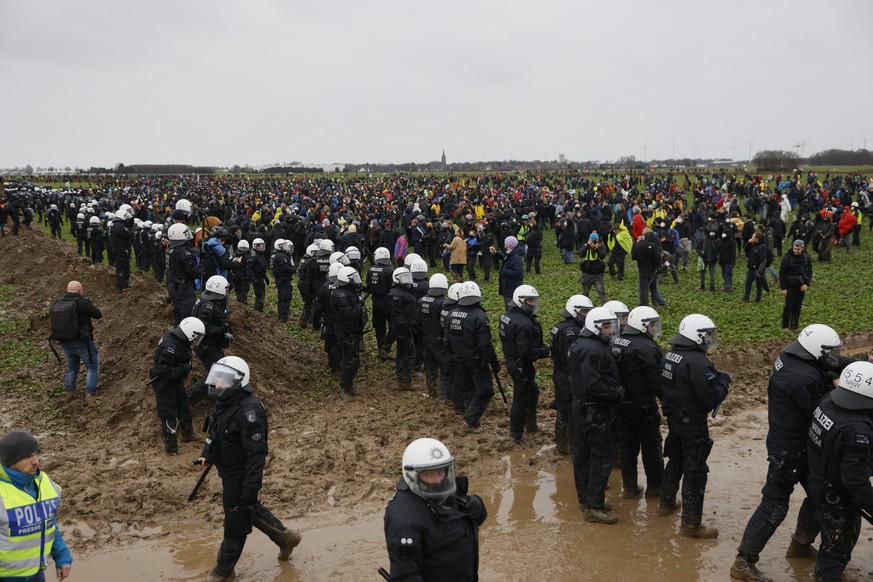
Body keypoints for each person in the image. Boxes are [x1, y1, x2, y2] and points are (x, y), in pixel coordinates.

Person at [732, 325, 847, 582]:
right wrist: (841, 389)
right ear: (817, 351)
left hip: (794, 442)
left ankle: (801, 545)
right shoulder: (804, 379)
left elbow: (830, 364)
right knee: (774, 504)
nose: (835, 356)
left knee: (821, 494)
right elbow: (824, 410)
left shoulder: (791, 356)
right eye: (832, 352)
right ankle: (743, 561)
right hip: (789, 450)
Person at [198, 357, 302, 579]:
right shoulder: (224, 404)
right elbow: (215, 433)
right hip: (227, 470)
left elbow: (257, 456)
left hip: (241, 475)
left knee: (235, 522)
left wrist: (251, 487)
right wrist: (207, 454)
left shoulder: (250, 412)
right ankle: (286, 538)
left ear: (239, 382)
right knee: (248, 509)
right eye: (217, 379)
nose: (217, 384)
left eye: (223, 381)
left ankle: (223, 571)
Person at [659, 313, 731, 538]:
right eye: (707, 336)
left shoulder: (670, 356)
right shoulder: (699, 362)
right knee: (695, 469)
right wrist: (724, 383)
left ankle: (666, 502)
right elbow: (709, 399)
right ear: (696, 336)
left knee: (676, 459)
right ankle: (691, 524)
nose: (710, 340)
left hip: (674, 418)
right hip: (692, 422)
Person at [384, 438, 487, 581]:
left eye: (440, 472)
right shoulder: (404, 520)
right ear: (412, 476)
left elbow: (473, 519)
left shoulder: (440, 491)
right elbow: (405, 575)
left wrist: (477, 505)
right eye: (429, 474)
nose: (437, 479)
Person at [807, 360, 873, 582]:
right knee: (837, 547)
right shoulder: (856, 431)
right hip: (837, 496)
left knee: (827, 535)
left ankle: (801, 548)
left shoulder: (827, 401)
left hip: (818, 479)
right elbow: (855, 481)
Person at [568, 307, 624, 524]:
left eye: (611, 326)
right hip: (596, 410)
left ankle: (586, 499)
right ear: (595, 327)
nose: (611, 330)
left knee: (582, 455)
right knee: (601, 457)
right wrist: (616, 394)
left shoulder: (581, 344)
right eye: (607, 326)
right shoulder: (593, 349)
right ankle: (594, 506)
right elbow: (593, 383)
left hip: (581, 407)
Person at [0, 430, 73, 581]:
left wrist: (62, 556)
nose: (36, 461)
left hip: (37, 575)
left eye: (35, 454)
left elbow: (49, 523)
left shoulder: (43, 481)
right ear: (11, 461)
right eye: (28, 456)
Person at [611, 306, 664, 499]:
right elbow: (657, 380)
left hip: (622, 403)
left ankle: (630, 487)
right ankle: (655, 488)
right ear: (642, 326)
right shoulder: (647, 347)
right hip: (643, 405)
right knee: (651, 446)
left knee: (627, 446)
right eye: (651, 325)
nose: (654, 329)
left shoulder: (618, 341)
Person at [443, 282, 499, 430]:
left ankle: (470, 414)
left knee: (468, 387)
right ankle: (471, 418)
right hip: (476, 361)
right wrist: (493, 362)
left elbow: (447, 341)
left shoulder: (451, 314)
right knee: (486, 391)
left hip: (459, 359)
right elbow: (485, 345)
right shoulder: (479, 316)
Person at [499, 285, 550, 444]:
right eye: (529, 301)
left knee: (532, 390)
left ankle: (531, 424)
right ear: (520, 301)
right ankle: (516, 434)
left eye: (534, 300)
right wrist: (545, 350)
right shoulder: (524, 325)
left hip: (512, 360)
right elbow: (527, 352)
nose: (533, 304)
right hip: (521, 365)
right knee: (521, 399)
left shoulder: (507, 316)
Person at [148, 317, 205, 455]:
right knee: (169, 414)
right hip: (164, 382)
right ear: (190, 333)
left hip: (174, 379)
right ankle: (171, 447)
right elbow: (161, 370)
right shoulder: (170, 347)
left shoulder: (180, 340)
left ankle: (187, 433)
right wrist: (184, 369)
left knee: (183, 405)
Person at [549, 295, 591, 455]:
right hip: (566, 376)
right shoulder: (571, 332)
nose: (587, 315)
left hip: (559, 373)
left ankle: (562, 446)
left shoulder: (559, 326)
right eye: (584, 311)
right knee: (572, 413)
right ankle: (572, 448)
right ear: (575, 311)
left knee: (563, 410)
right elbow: (571, 359)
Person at [50, 280, 102, 397]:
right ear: (80, 290)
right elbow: (98, 314)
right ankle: (90, 394)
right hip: (83, 342)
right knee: (92, 367)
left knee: (72, 368)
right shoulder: (82, 303)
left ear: (67, 290)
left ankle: (69, 392)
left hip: (65, 341)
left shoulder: (58, 302)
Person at [188, 276, 233, 403]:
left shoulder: (209, 302)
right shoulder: (208, 308)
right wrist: (221, 330)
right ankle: (190, 395)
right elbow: (202, 328)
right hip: (206, 346)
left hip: (211, 344)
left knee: (220, 368)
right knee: (217, 374)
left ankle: (215, 393)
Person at [330, 266, 366, 397]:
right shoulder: (340, 295)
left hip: (353, 330)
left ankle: (349, 385)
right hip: (346, 332)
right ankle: (345, 388)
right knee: (349, 360)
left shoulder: (349, 292)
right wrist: (359, 306)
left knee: (354, 360)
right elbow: (348, 314)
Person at [388, 267, 419, 391]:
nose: (407, 280)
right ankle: (406, 379)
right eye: (404, 278)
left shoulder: (404, 291)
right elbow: (397, 315)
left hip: (406, 327)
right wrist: (406, 329)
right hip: (403, 328)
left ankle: (401, 376)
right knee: (409, 353)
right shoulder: (396, 294)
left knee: (401, 352)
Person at [166, 222, 200, 324]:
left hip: (173, 284)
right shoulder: (183, 252)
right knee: (188, 315)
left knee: (178, 312)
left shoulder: (171, 249)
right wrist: (202, 267)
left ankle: (177, 331)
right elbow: (195, 271)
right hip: (183, 287)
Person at [367, 247, 395, 360]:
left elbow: (368, 285)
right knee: (394, 325)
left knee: (379, 326)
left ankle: (380, 347)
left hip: (375, 301)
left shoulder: (371, 269)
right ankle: (386, 347)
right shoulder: (390, 270)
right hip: (387, 302)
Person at [779, 240, 813, 331]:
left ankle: (795, 325)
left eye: (798, 249)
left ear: (802, 248)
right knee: (789, 306)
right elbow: (782, 273)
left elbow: (809, 271)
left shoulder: (806, 258)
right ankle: (785, 326)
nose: (796, 251)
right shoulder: (787, 258)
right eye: (795, 248)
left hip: (801, 287)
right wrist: (783, 288)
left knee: (797, 306)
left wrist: (806, 283)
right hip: (790, 287)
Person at [631, 229, 665, 308]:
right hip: (653, 271)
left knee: (643, 290)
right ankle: (656, 304)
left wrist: (636, 243)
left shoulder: (638, 246)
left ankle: (644, 305)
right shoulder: (654, 246)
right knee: (653, 287)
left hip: (643, 271)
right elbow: (657, 258)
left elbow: (633, 257)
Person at [492, 235, 524, 309]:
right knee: (507, 308)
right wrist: (496, 253)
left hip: (512, 288)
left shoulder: (516, 257)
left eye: (505, 242)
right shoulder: (510, 254)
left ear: (509, 244)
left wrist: (505, 271)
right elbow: (505, 259)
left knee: (511, 309)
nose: (504, 243)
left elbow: (518, 272)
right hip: (507, 287)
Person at [579, 232, 608, 305]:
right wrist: (587, 246)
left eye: (595, 240)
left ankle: (606, 305)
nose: (593, 241)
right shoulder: (586, 246)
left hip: (597, 274)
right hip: (587, 273)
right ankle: (584, 305)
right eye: (592, 240)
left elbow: (602, 256)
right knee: (585, 292)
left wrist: (596, 248)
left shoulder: (601, 246)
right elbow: (581, 254)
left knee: (601, 291)